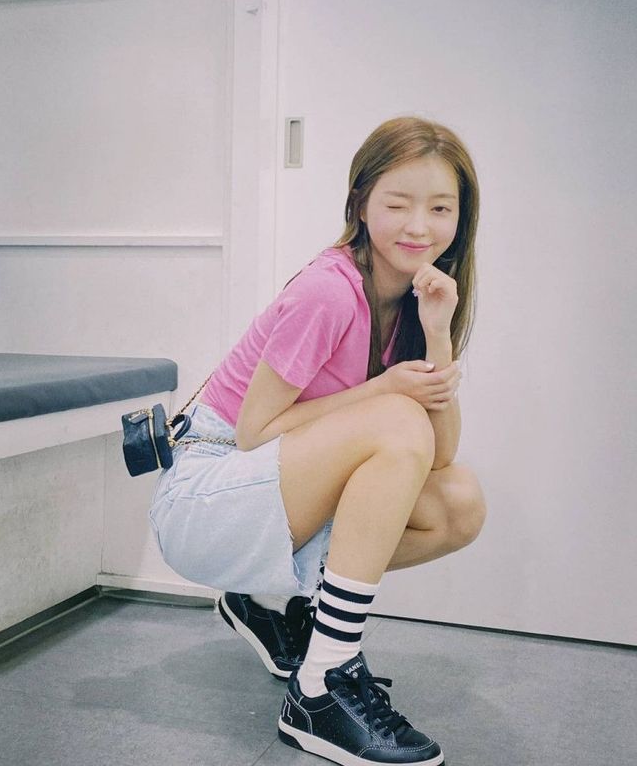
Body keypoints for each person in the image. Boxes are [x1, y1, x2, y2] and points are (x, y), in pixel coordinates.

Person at [149, 116, 487, 766]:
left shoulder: (416, 300)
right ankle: (322, 684)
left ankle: (273, 604)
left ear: (461, 217)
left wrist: (438, 333)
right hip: (204, 497)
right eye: (398, 204)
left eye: (441, 208)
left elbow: (438, 457)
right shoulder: (328, 293)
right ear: (360, 204)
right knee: (397, 420)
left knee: (458, 503)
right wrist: (385, 391)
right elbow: (254, 432)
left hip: (268, 493)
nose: (419, 226)